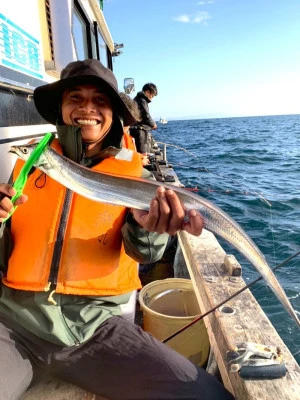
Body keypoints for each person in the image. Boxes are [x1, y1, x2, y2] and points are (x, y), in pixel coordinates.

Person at [0, 59, 234, 400]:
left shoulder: (137, 176)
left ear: (114, 113)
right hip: (15, 326)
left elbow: (146, 253)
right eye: (75, 98)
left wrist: (152, 229)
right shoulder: (28, 165)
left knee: (208, 397)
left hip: (97, 330)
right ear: (61, 108)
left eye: (100, 101)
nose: (87, 108)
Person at [129, 83, 158, 154]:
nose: (151, 98)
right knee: (142, 153)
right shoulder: (142, 100)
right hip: (139, 130)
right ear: (147, 92)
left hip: (137, 129)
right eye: (152, 95)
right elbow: (146, 115)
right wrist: (153, 124)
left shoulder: (138, 99)